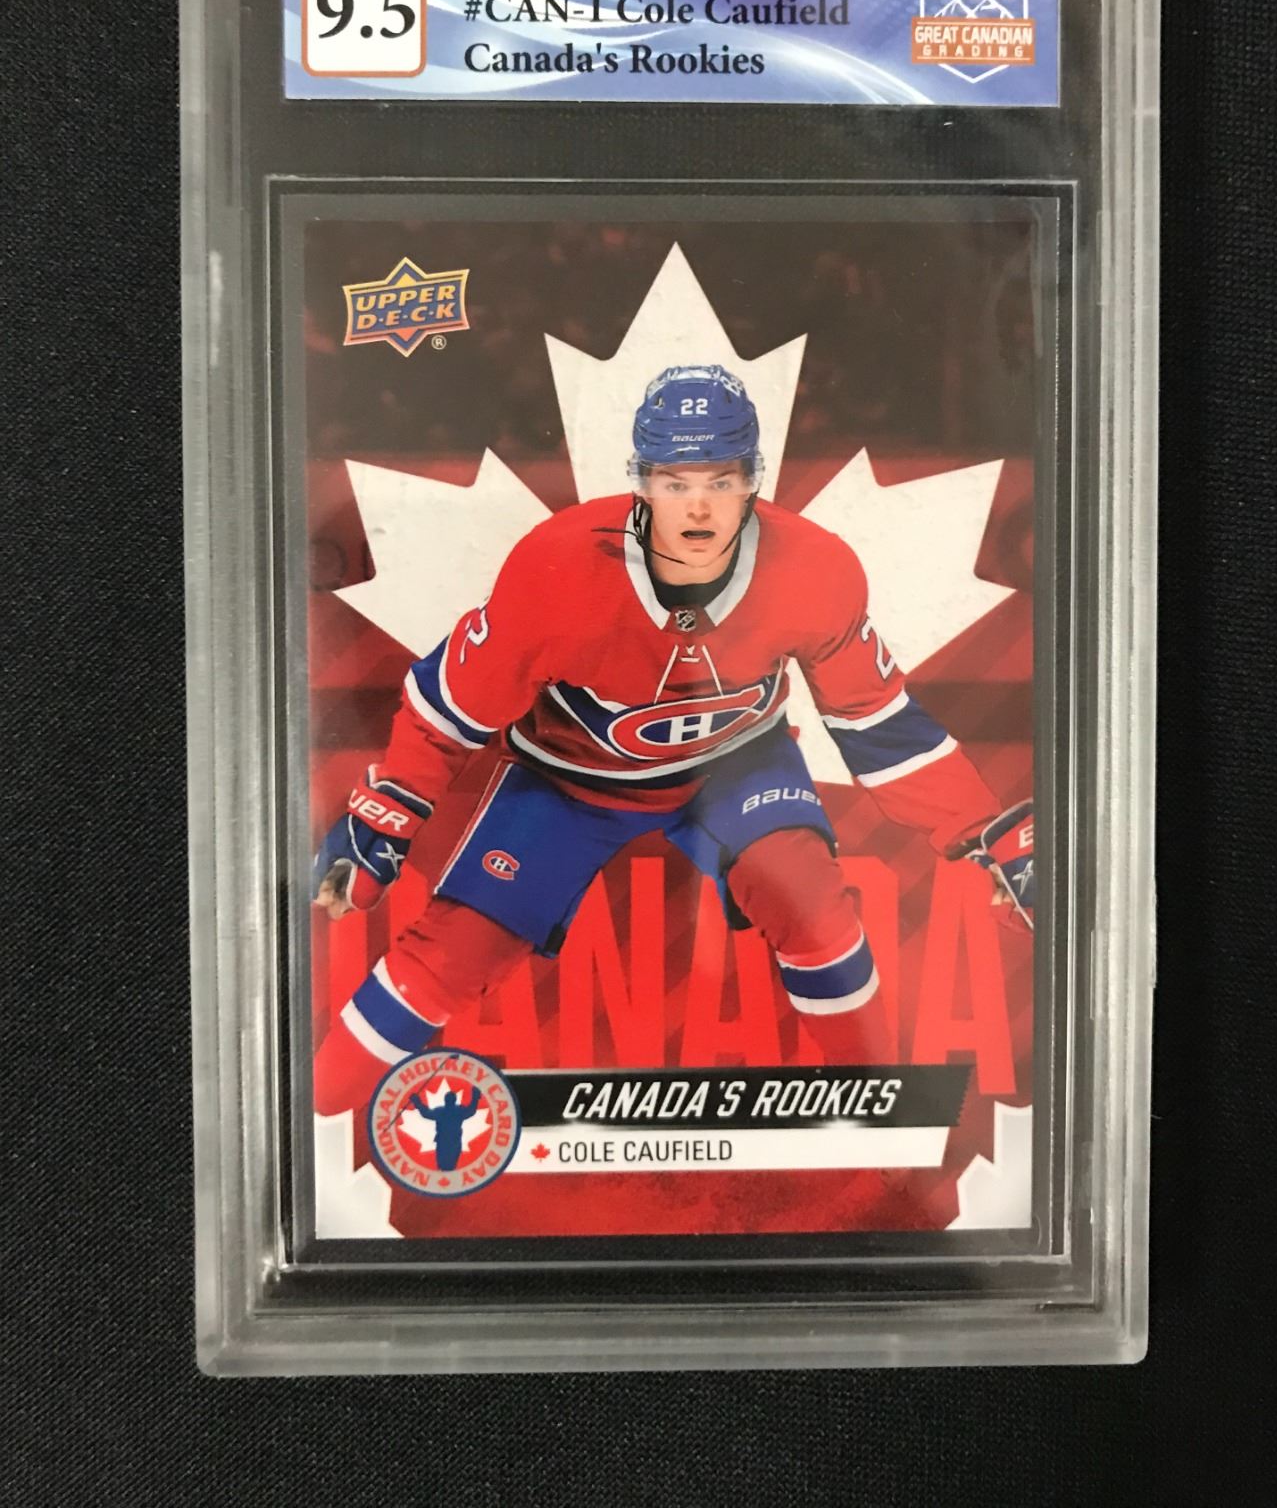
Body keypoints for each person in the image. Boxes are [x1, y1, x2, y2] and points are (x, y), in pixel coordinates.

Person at [313, 363, 1033, 1114]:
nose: (698, 506)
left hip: (736, 765)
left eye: (721, 480)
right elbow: (448, 705)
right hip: (569, 781)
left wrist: (986, 831)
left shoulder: (816, 569)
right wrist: (385, 816)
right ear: (641, 483)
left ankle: (882, 1107)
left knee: (816, 913)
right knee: (454, 952)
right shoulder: (556, 568)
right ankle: (316, 1118)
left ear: (753, 479)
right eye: (675, 480)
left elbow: (874, 718)